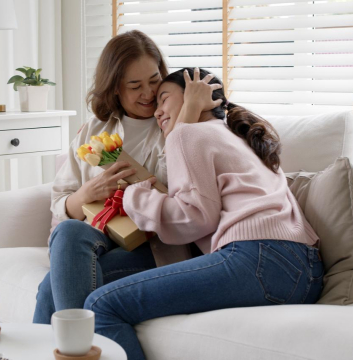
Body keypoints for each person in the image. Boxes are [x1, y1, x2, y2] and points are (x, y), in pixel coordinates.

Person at [83, 68, 324, 360]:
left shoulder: (188, 134)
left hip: (257, 259)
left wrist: (135, 195)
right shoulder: (237, 135)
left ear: (193, 98)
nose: (157, 112)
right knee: (88, 281)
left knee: (101, 304)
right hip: (306, 272)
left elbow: (195, 218)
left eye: (163, 98)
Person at [33, 32, 220, 324]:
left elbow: (190, 198)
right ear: (116, 88)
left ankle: (72, 351)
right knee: (69, 233)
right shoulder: (93, 130)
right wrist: (86, 194)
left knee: (50, 288)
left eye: (154, 80)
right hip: (100, 237)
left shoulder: (180, 123)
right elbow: (61, 201)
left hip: (156, 246)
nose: (148, 93)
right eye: (135, 86)